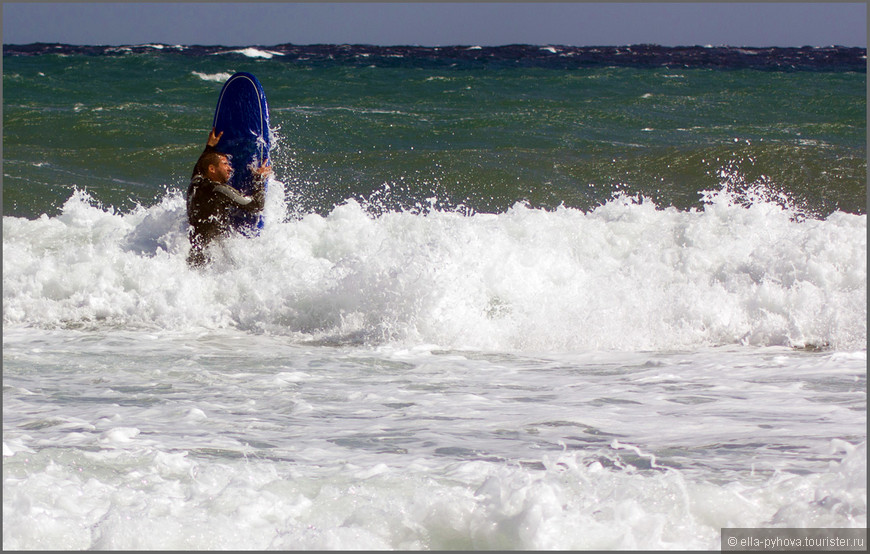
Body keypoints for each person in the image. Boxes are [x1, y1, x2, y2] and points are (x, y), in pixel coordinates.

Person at [186, 128, 271, 267]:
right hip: (209, 258)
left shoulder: (195, 183)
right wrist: (259, 179)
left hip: (194, 252)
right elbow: (256, 206)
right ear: (212, 169)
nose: (230, 169)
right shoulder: (218, 190)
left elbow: (199, 167)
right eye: (225, 164)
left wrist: (209, 148)